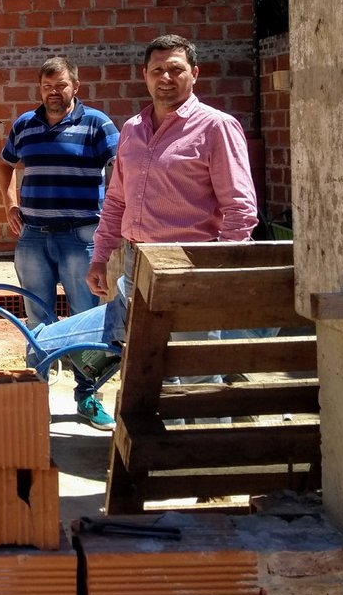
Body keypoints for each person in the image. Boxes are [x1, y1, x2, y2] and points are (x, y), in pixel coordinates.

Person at [32, 34, 260, 432]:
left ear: (195, 74)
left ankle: (213, 474)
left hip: (190, 266)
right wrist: (100, 256)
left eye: (176, 69)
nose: (166, 78)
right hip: (138, 265)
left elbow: (240, 209)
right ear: (145, 75)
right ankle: (160, 450)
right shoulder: (134, 129)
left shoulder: (216, 128)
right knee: (145, 363)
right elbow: (117, 201)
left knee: (197, 374)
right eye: (158, 70)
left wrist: (220, 273)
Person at [0, 57, 119, 423]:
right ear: (40, 88)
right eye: (47, 86)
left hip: (81, 236)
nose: (54, 92)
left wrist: (117, 215)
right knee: (37, 317)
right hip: (33, 236)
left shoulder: (97, 124)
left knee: (86, 319)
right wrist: (10, 203)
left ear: (75, 86)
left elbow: (123, 167)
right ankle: (34, 395)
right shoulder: (25, 125)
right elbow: (4, 163)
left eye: (61, 85)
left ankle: (87, 397)